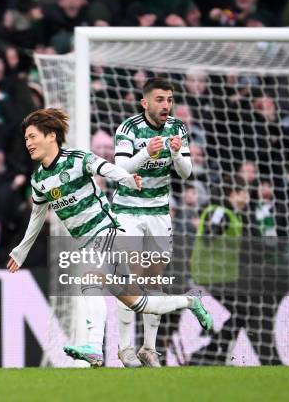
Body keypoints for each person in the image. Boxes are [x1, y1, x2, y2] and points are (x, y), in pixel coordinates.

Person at [6, 108, 211, 367]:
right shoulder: (39, 180)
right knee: (140, 303)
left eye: (32, 136)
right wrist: (20, 251)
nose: (28, 143)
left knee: (88, 278)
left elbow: (106, 168)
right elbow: (37, 218)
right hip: (86, 242)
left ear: (51, 136)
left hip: (108, 232)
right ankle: (191, 301)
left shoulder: (78, 159)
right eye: (26, 139)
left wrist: (127, 178)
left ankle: (93, 346)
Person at [112, 77, 192, 368]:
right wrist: (147, 153)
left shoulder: (178, 128)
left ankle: (149, 348)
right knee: (131, 278)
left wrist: (173, 153)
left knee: (153, 279)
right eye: (160, 100)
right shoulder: (128, 129)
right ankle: (124, 348)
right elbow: (120, 169)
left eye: (169, 100)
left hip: (159, 212)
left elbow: (186, 172)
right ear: (144, 102)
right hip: (127, 211)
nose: (166, 106)